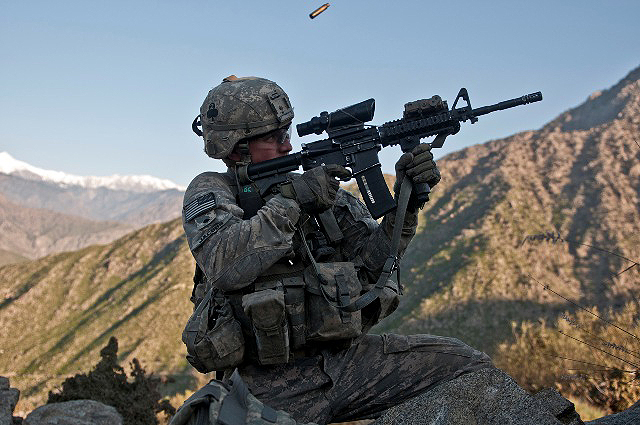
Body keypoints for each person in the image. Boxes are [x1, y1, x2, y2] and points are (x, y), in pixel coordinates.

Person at [180, 75, 493, 425]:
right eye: (275, 137)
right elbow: (224, 263)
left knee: (468, 367)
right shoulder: (213, 191)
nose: (287, 146)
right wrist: (292, 202)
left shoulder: (318, 193)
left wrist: (407, 201)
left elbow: (374, 268)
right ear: (236, 148)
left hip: (345, 363)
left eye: (287, 132)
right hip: (265, 385)